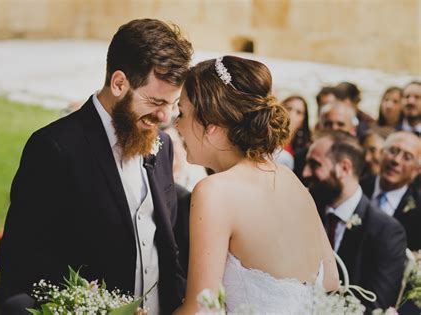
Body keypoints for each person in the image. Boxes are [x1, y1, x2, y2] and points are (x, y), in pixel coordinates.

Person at [0, 18, 193, 315]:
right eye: (155, 101)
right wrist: (98, 307)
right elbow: (18, 257)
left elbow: (165, 247)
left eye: (173, 103)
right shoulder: (54, 148)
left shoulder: (162, 146)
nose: (165, 116)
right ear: (118, 83)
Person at [173, 56, 339, 314]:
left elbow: (200, 309)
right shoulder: (290, 179)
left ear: (211, 126)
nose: (176, 124)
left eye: (182, 113)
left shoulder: (214, 191)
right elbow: (330, 279)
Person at [303, 131, 407, 312]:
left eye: (314, 164)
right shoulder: (306, 210)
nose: (305, 172)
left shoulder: (387, 231)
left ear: (344, 168)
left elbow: (376, 306)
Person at [360, 131, 421, 250]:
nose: (396, 161)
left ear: (416, 170)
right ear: (382, 154)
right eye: (393, 151)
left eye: (407, 157)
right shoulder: (358, 186)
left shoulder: (418, 210)